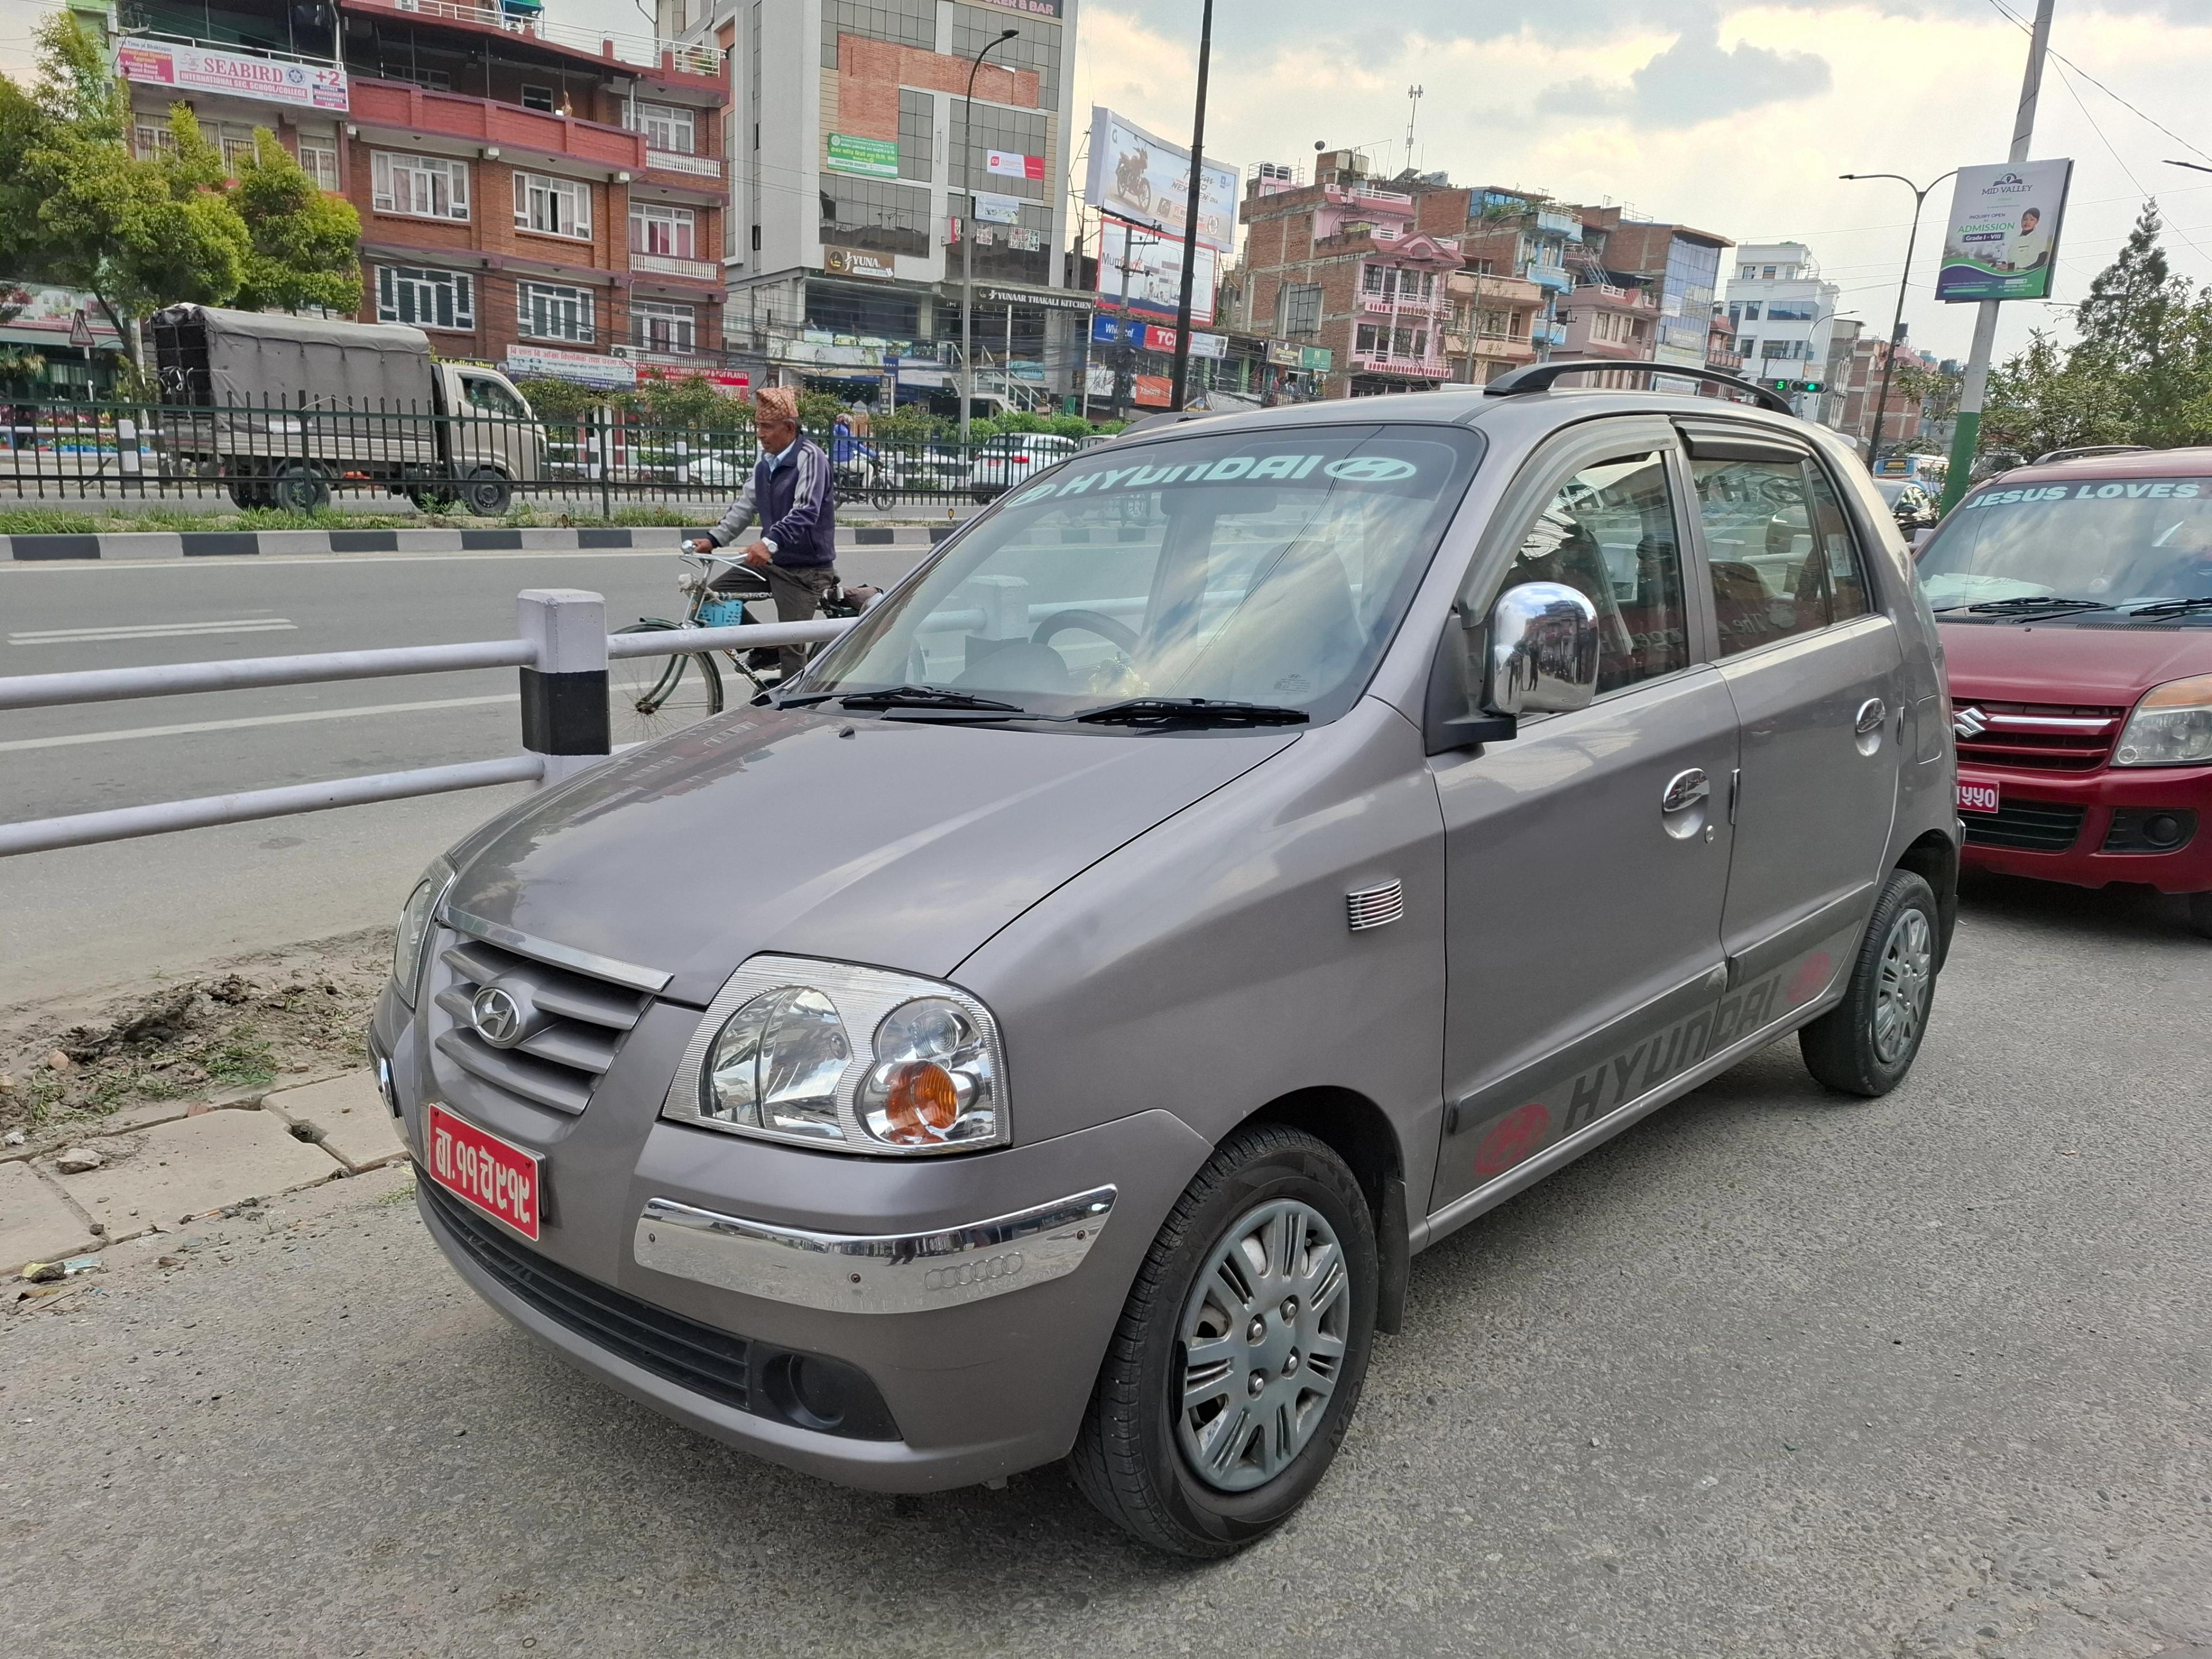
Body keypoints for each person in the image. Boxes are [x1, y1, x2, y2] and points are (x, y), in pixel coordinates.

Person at [684, 387, 837, 683]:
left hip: (805, 570)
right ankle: (766, 647)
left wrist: (769, 543)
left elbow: (806, 511)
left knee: (792, 647)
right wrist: (714, 539)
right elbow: (746, 504)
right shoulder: (766, 460)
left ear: (789, 427)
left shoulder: (810, 458)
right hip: (771, 561)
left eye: (767, 427)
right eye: (758, 426)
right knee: (708, 600)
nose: (760, 434)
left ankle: (793, 704)